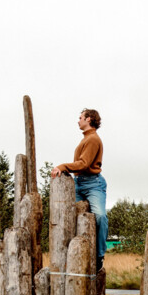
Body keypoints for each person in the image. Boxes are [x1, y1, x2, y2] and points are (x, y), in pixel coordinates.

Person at [52, 109, 108, 271]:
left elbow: (84, 164)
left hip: (93, 184)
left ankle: (99, 255)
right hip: (79, 182)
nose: (78, 120)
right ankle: (74, 253)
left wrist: (62, 166)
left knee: (99, 216)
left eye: (80, 118)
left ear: (88, 119)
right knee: (72, 217)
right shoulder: (86, 139)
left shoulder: (93, 139)